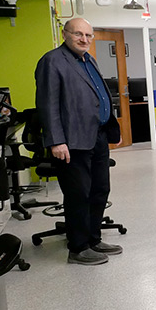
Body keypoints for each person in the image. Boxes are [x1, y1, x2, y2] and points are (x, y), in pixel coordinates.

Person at [35, 18, 123, 265]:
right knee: (78, 194)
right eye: (78, 34)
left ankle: (93, 239)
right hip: (71, 141)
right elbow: (48, 104)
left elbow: (98, 96)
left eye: (88, 35)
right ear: (65, 34)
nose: (84, 39)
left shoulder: (88, 60)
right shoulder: (52, 61)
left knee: (99, 190)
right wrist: (56, 141)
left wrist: (110, 125)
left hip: (97, 135)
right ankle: (78, 247)